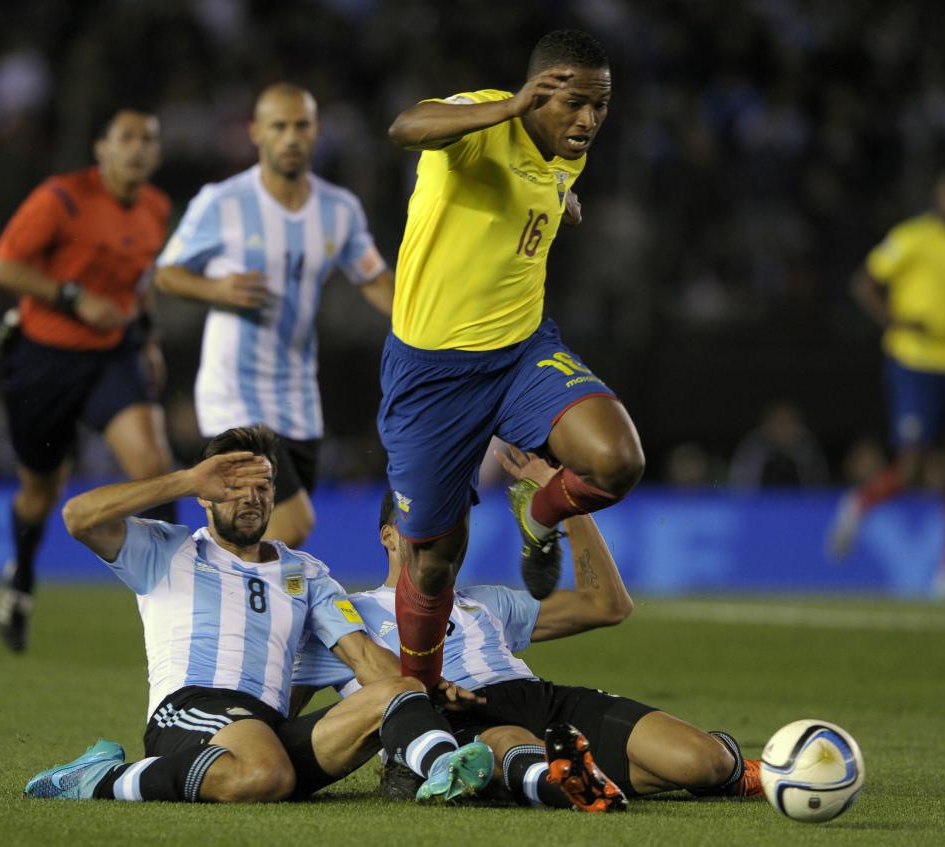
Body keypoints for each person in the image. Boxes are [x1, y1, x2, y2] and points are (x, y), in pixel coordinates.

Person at [23, 425, 493, 804]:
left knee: (400, 687)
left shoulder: (304, 572)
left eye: (263, 486)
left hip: (266, 727)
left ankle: (446, 771)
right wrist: (186, 480)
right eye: (233, 486)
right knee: (265, 772)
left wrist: (426, 691)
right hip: (190, 712)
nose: (251, 497)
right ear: (206, 495)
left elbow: (365, 660)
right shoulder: (169, 551)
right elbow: (76, 516)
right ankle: (102, 779)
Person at [381, 29, 645, 690]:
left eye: (601, 105)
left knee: (617, 461)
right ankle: (416, 700)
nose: (588, 120)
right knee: (435, 559)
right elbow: (405, 127)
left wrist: (563, 204)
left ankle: (542, 511)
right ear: (538, 94)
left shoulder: (565, 153)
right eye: (574, 103)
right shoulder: (481, 119)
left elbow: (535, 197)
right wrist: (509, 106)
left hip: (521, 352)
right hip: (432, 373)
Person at [291, 447, 762, 812]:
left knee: (702, 762)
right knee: (511, 741)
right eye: (426, 520)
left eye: (455, 517)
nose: (446, 529)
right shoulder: (348, 616)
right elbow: (292, 709)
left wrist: (568, 502)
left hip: (541, 700)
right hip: (453, 721)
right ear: (387, 535)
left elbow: (609, 605)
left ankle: (579, 775)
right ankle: (558, 780)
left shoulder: (487, 600)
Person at [155, 82, 394, 549]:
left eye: (301, 125)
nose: (290, 137)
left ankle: (238, 608)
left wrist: (432, 319)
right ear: (256, 133)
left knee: (275, 536)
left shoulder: (338, 210)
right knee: (291, 520)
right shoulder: (221, 202)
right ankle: (207, 592)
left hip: (298, 396)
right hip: (233, 392)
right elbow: (166, 274)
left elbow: (377, 281)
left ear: (316, 132)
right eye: (279, 126)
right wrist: (215, 288)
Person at [0, 107, 176, 653]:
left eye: (149, 139)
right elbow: (1, 267)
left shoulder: (156, 208)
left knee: (152, 463)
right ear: (102, 148)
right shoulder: (61, 198)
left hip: (109, 358)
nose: (138, 147)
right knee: (40, 490)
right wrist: (71, 296)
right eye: (127, 137)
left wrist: (151, 336)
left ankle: (174, 597)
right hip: (42, 360)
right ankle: (20, 577)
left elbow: (141, 280)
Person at [828, 169, 945, 568]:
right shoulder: (912, 237)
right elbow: (864, 283)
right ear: (939, 197)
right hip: (914, 360)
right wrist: (896, 321)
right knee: (913, 466)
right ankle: (859, 504)